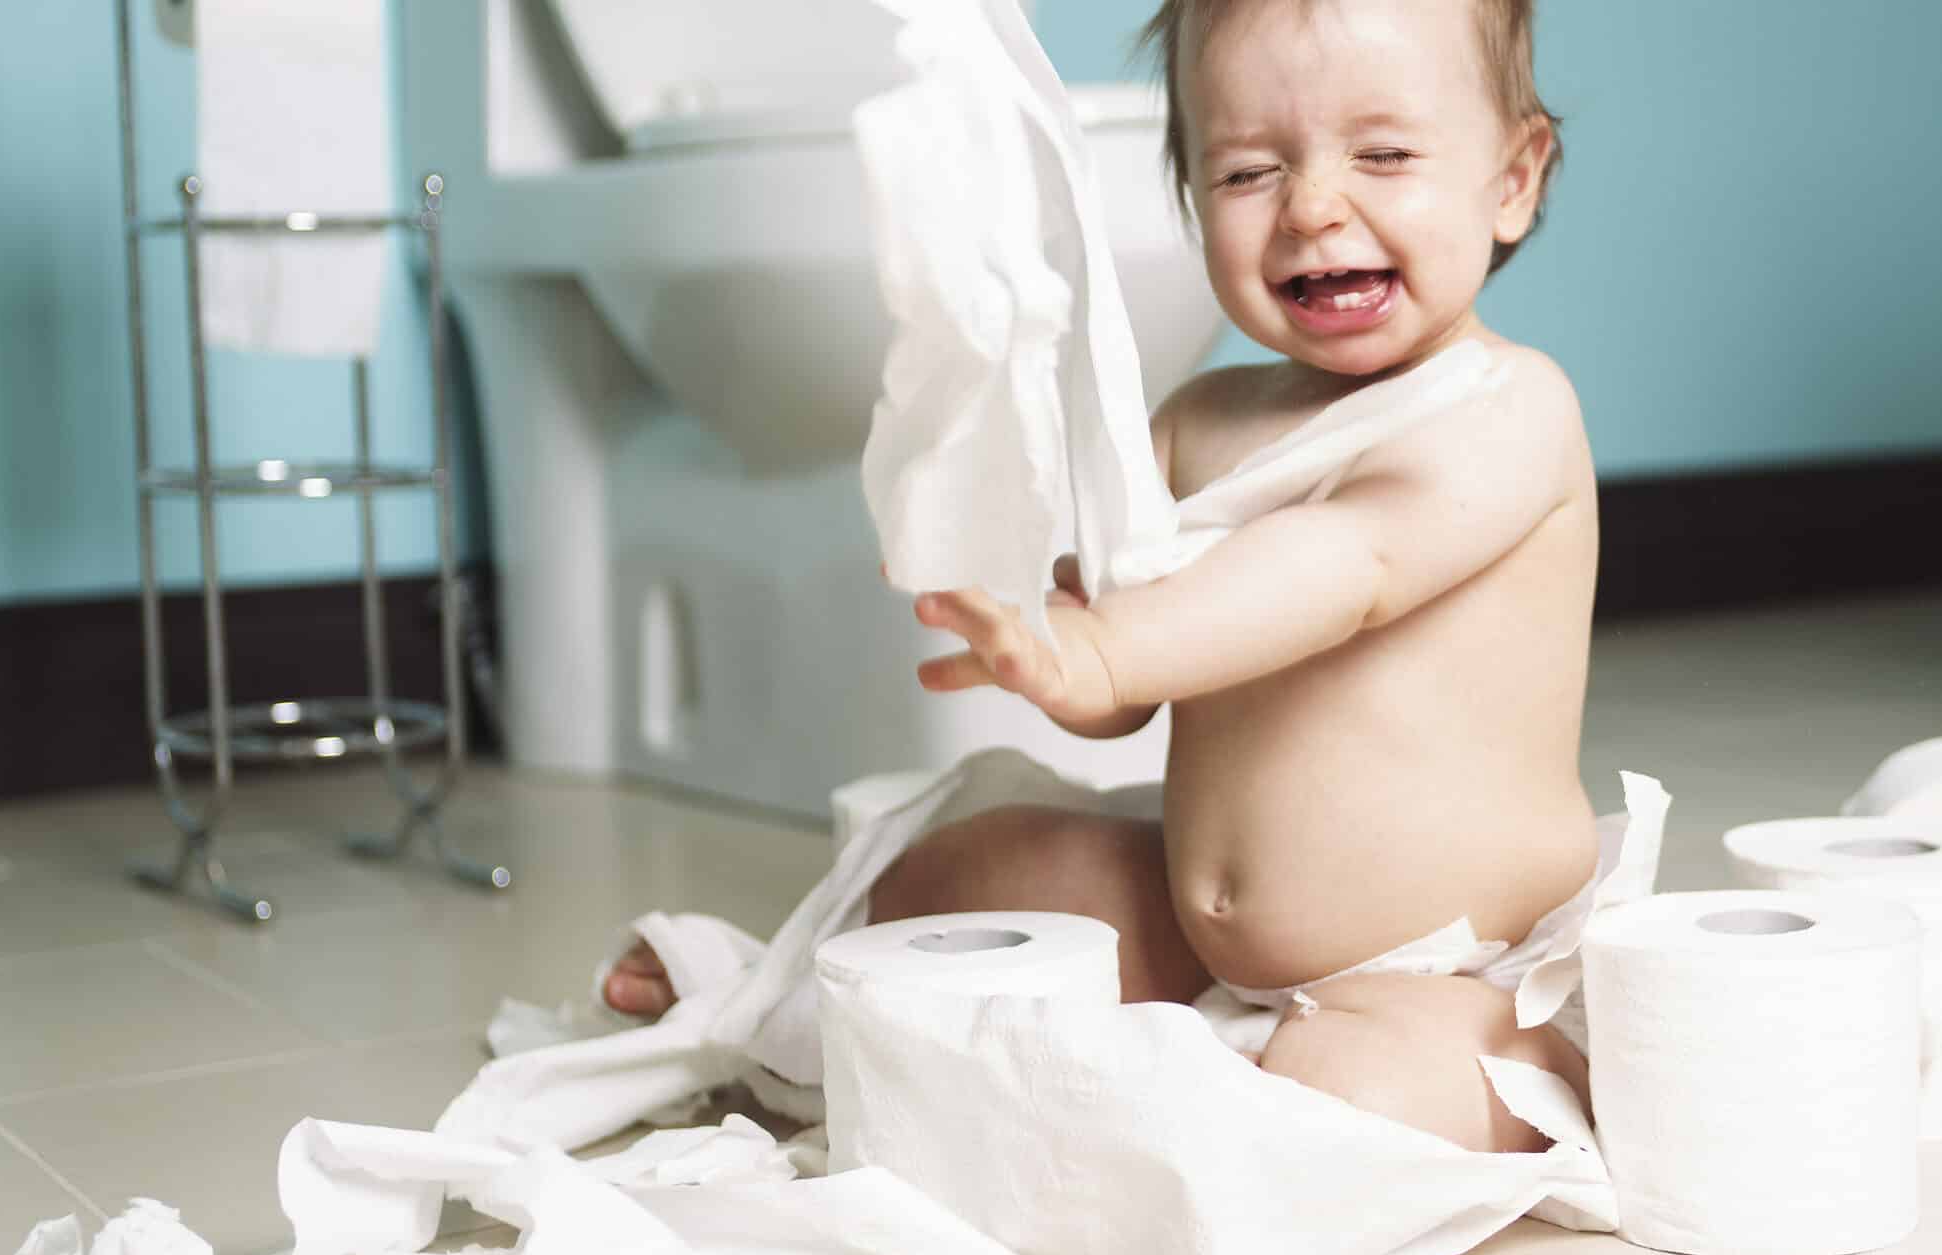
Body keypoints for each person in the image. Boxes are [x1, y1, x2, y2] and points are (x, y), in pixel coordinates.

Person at [613, 0, 1597, 1153]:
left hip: (1439, 961)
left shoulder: (1505, 408)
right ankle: (761, 999)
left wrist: (1110, 648)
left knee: (1342, 1100)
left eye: (1382, 155)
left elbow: (1350, 565)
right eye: (1244, 172)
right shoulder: (1199, 421)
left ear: (1513, 177)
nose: (1314, 206)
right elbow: (1128, 683)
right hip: (1201, 922)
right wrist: (1053, 623)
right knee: (954, 878)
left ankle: (1516, 1061)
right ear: (1188, 196)